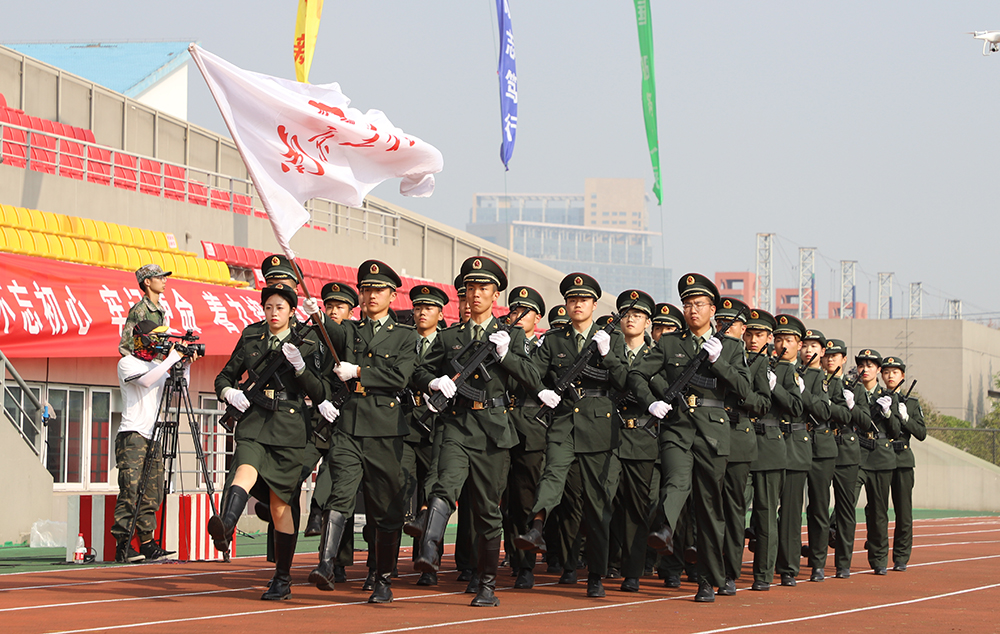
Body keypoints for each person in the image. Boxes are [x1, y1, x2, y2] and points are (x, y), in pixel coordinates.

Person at [413, 257, 539, 607]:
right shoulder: (450, 336)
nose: (476, 294)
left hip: (493, 429)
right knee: (445, 485)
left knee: (486, 510)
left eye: (483, 288)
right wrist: (434, 382)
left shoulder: (512, 335)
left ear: (496, 295)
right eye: (470, 287)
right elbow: (419, 370)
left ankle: (486, 584)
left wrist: (506, 354)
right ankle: (429, 548)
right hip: (456, 423)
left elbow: (533, 378)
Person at [628, 273, 750, 602]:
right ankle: (665, 528)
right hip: (678, 426)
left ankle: (708, 580)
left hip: (713, 432)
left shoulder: (732, 347)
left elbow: (744, 390)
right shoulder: (670, 343)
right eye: (687, 304)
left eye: (698, 304)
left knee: (709, 508)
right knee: (675, 481)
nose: (692, 310)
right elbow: (637, 373)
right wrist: (650, 402)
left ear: (712, 309)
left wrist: (719, 362)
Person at [211, 283, 328, 600]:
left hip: (289, 428)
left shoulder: (308, 341)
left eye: (280, 307)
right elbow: (224, 376)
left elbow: (319, 392)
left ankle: (283, 577)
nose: (273, 313)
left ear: (292, 311)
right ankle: (226, 524)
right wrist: (229, 392)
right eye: (268, 307)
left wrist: (301, 368)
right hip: (254, 420)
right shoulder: (252, 336)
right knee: (244, 469)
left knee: (279, 505)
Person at [514, 272, 628, 598]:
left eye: (584, 299)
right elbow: (533, 372)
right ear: (565, 304)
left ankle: (595, 573)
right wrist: (541, 390)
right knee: (551, 475)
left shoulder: (612, 339)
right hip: (564, 420)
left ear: (594, 304)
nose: (578, 304)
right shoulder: (554, 340)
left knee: (596, 502)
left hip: (599, 424)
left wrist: (608, 355)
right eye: (572, 299)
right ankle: (537, 526)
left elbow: (624, 381)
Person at [111, 320, 186, 563]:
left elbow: (177, 388)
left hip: (154, 435)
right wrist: (170, 360)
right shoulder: (127, 363)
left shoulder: (157, 365)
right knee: (130, 489)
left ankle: (147, 542)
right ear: (142, 338)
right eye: (156, 336)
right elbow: (144, 381)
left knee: (153, 491)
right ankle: (123, 545)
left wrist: (184, 364)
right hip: (132, 434)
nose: (160, 342)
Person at [400, 283, 449, 586]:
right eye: (417, 307)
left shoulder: (447, 342)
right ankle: (384, 563)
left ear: (440, 313)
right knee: (402, 487)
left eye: (428, 308)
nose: (421, 312)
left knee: (433, 494)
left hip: (437, 424)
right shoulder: (403, 339)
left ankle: (430, 562)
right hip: (406, 421)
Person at [609, 289, 657, 592]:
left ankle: (633, 570)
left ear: (648, 322)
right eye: (626, 314)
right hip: (609, 434)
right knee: (604, 499)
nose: (630, 319)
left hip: (642, 436)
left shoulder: (656, 356)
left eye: (637, 315)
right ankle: (607, 561)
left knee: (636, 508)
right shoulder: (607, 351)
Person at [715, 298, 763, 595]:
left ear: (742, 329)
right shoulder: (706, 350)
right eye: (720, 323)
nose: (724, 328)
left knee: (734, 510)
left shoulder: (755, 362)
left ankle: (730, 570)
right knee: (706, 506)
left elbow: (759, 402)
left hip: (737, 438)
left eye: (730, 324)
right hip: (707, 437)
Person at [501, 285, 547, 590]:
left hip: (530, 428)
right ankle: (512, 557)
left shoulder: (543, 347)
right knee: (501, 500)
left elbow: (537, 378)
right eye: (514, 310)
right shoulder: (499, 340)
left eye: (524, 311)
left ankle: (526, 564)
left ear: (537, 317)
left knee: (524, 498)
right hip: (501, 424)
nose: (517, 316)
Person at [846, 348, 901, 575]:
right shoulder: (851, 392)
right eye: (861, 365)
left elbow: (896, 431)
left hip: (880, 456)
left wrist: (889, 413)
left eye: (870, 366)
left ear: (878, 370)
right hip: (856, 453)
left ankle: (879, 559)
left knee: (878, 512)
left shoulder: (888, 396)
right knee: (846, 504)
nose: (865, 369)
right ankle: (842, 556)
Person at [742, 309, 785, 591]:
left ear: (769, 337)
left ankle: (763, 574)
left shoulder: (781, 369)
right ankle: (728, 569)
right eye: (749, 334)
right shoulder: (734, 360)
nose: (753, 339)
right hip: (740, 441)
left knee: (767, 513)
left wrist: (776, 387)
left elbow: (795, 406)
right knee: (735, 509)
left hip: (768, 444)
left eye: (759, 334)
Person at [771, 314, 811, 588]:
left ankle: (788, 567)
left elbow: (798, 408)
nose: (783, 345)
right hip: (768, 444)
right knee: (765, 509)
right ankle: (767, 560)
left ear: (799, 344)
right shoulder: (766, 367)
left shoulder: (805, 374)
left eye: (788, 339)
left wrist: (776, 388)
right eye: (778, 339)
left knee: (790, 513)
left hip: (795, 446)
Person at [881, 355, 926, 571]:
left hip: (902, 459)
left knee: (903, 512)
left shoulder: (912, 403)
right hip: (880, 457)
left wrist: (906, 418)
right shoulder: (876, 399)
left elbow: (921, 433)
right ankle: (878, 548)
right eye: (886, 372)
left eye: (895, 372)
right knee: (877, 509)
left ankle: (901, 556)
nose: (890, 376)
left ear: (903, 376)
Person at [800, 329, 836, 583]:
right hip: (794, 443)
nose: (808, 350)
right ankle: (788, 557)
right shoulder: (791, 372)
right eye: (805, 346)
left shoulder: (824, 379)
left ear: (822, 352)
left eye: (814, 346)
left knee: (818, 507)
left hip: (820, 448)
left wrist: (803, 392)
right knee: (790, 506)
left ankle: (818, 561)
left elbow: (823, 411)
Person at [822, 339, 859, 579]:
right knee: (817, 505)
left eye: (835, 356)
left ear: (844, 359)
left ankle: (843, 562)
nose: (830, 360)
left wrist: (851, 406)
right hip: (821, 448)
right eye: (827, 355)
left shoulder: (853, 387)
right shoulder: (816, 382)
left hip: (845, 450)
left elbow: (864, 420)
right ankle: (817, 558)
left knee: (845, 509)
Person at [119, 264, 171, 356]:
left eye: (164, 278)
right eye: (159, 278)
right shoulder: (139, 310)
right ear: (147, 282)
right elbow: (125, 346)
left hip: (158, 363)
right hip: (144, 363)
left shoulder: (160, 309)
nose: (164, 281)